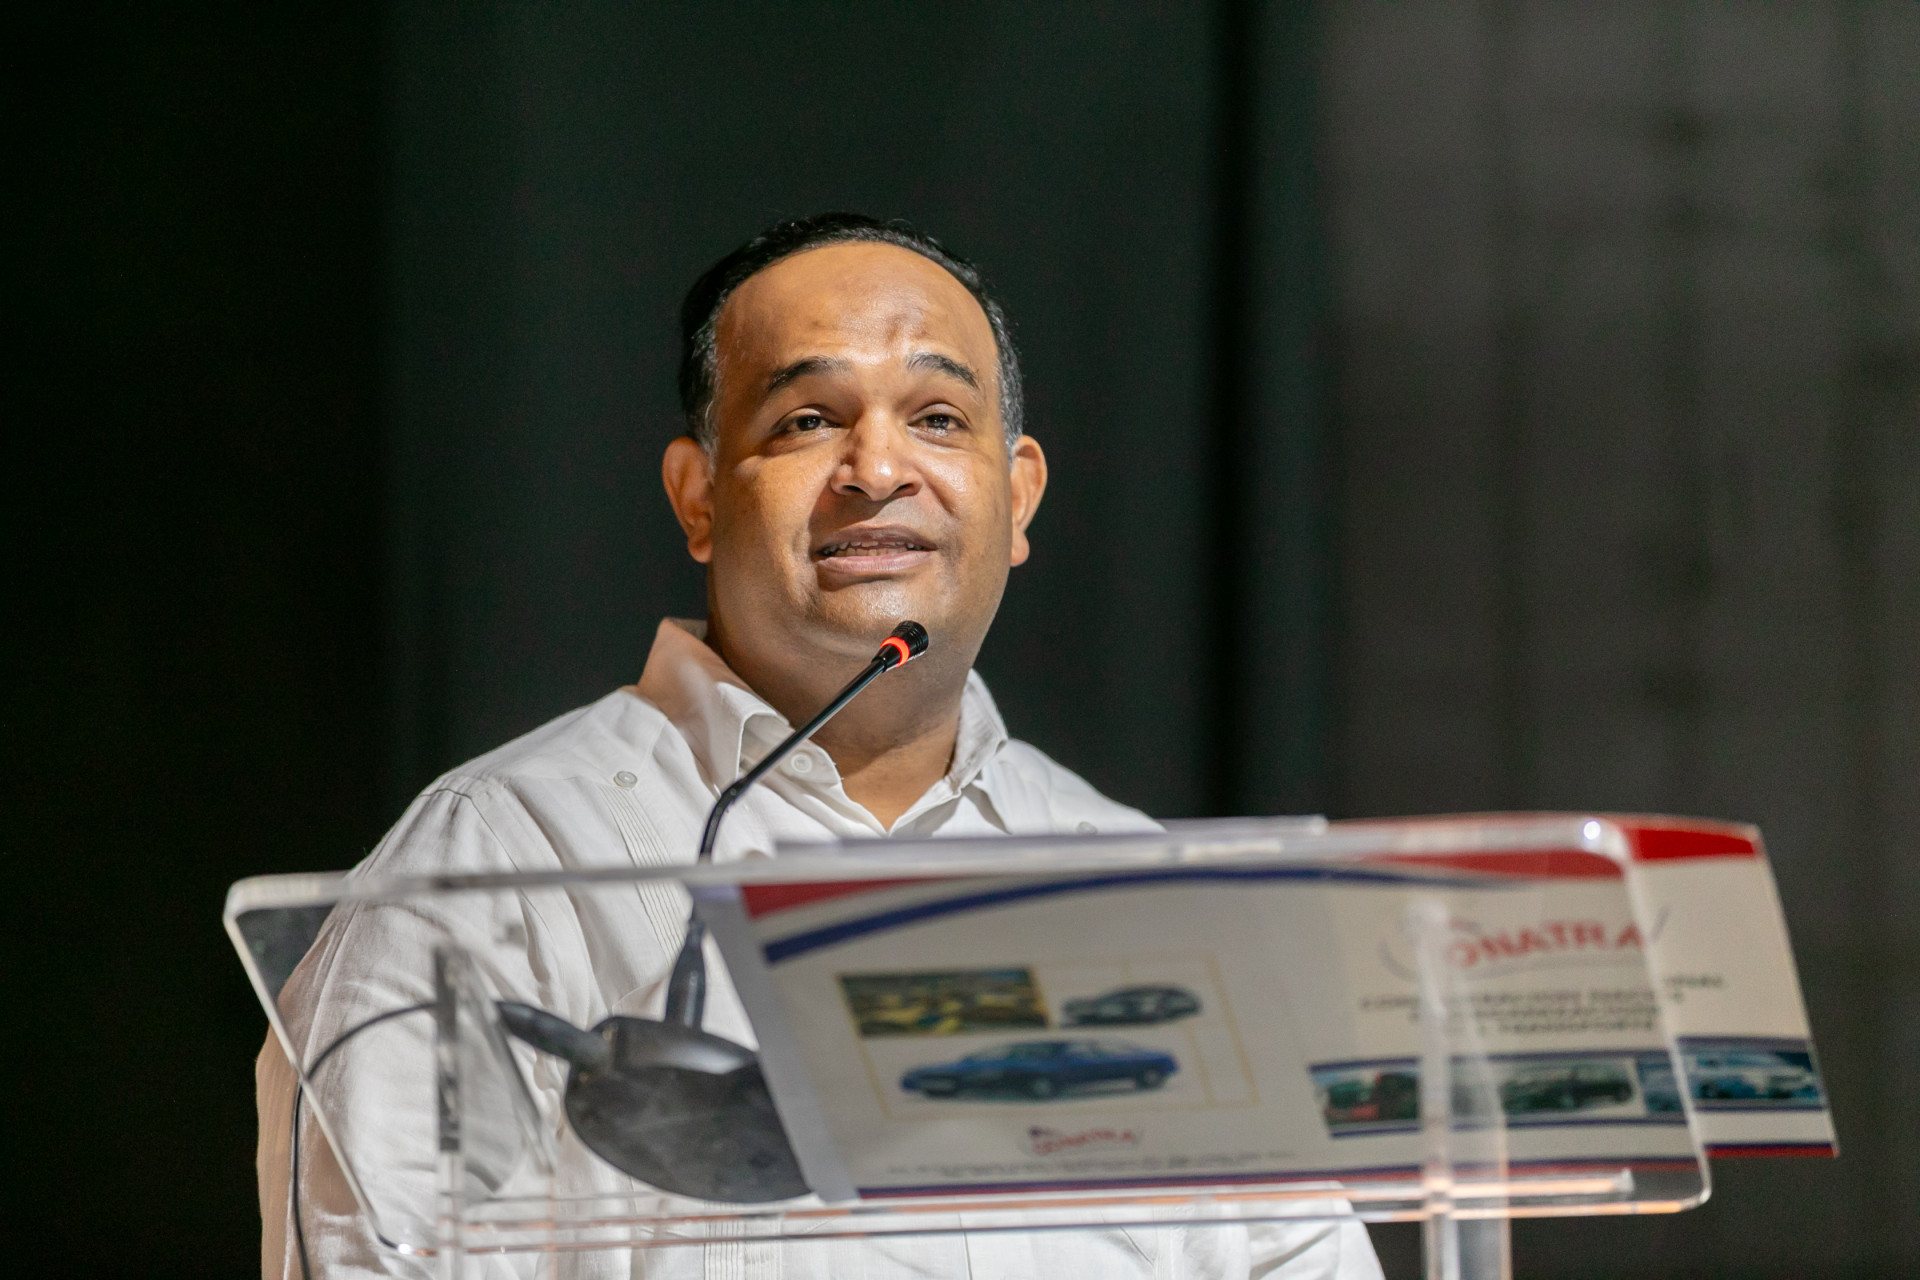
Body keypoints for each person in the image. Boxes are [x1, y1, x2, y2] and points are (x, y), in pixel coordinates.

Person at [256, 213, 1382, 1279]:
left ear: (1019, 494)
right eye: (806, 420)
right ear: (698, 497)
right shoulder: (503, 857)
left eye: (937, 418)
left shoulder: (1141, 886)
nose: (877, 470)